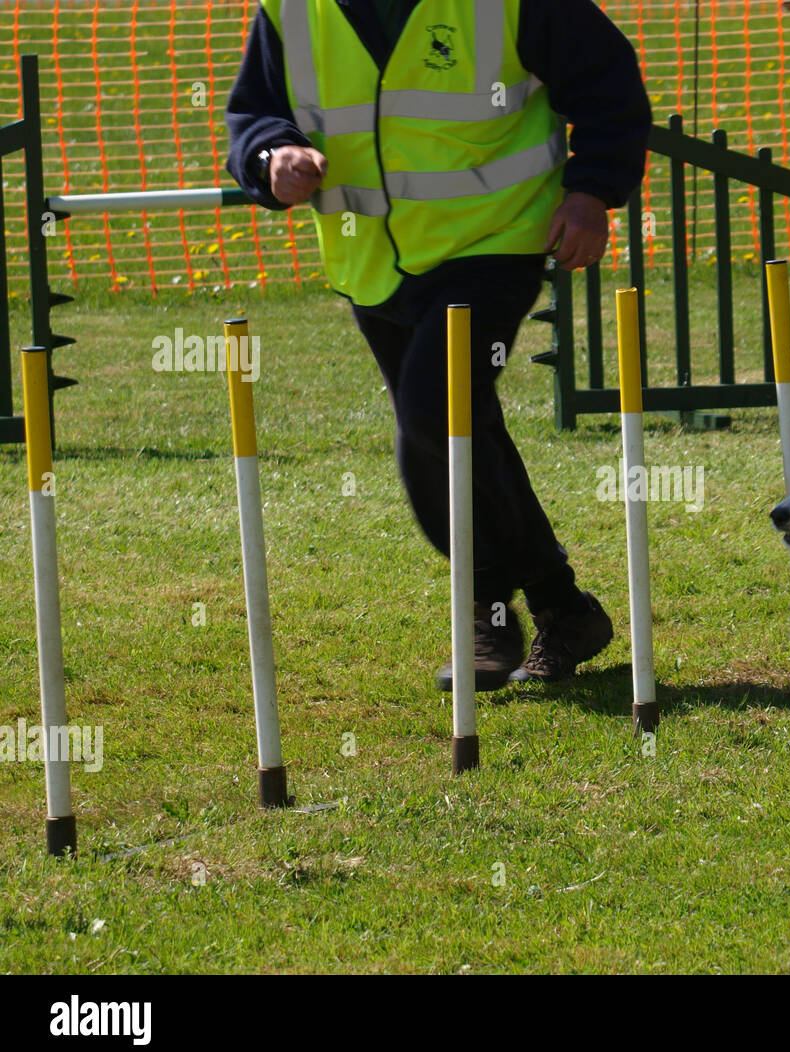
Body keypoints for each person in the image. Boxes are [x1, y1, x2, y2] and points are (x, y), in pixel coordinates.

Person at [226, 0, 652, 689]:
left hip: (494, 240)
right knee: (454, 425)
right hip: (372, 260)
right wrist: (273, 156)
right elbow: (254, 111)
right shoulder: (289, 9)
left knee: (432, 411)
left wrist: (591, 190)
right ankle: (561, 605)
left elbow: (608, 80)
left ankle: (489, 613)